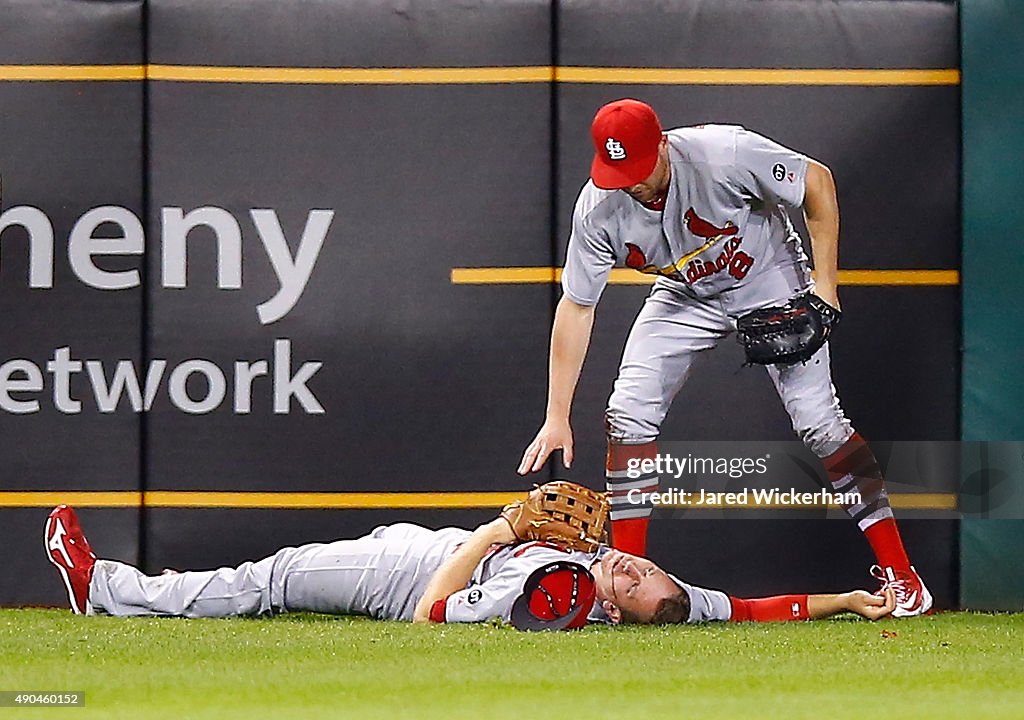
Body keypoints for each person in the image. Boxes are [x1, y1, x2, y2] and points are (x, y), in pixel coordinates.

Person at [517, 98, 931, 616]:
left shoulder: (725, 153)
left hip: (768, 277)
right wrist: (557, 414)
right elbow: (577, 308)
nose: (631, 183)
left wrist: (825, 287)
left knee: (821, 424)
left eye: (638, 169)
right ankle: (630, 594)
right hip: (683, 293)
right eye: (617, 171)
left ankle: (903, 576)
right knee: (628, 414)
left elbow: (817, 183)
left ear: (663, 144)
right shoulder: (598, 207)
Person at [43, 504, 894, 626]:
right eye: (646, 576)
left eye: (629, 590)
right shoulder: (654, 584)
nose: (631, 576)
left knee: (270, 579)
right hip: (431, 540)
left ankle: (105, 589)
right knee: (277, 571)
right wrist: (848, 599)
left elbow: (433, 615)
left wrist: (492, 533)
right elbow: (748, 608)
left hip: (415, 574)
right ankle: (110, 589)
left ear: (611, 614)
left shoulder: (554, 596)